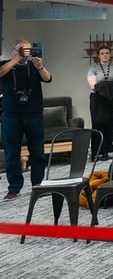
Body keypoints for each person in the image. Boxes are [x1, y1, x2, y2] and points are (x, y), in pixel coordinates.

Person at [0, 39, 52, 201]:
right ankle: (14, 187)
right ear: (14, 50)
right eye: (23, 50)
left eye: (29, 50)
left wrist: (40, 67)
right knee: (11, 153)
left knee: (37, 152)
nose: (26, 53)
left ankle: (38, 184)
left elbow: (48, 78)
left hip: (34, 114)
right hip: (11, 115)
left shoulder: (34, 66)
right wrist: (16, 59)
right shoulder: (6, 64)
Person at [87, 45, 113, 161]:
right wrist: (109, 85)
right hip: (98, 101)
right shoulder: (93, 68)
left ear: (110, 55)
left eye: (107, 53)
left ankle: (108, 151)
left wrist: (103, 86)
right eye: (102, 53)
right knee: (98, 125)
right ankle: (97, 152)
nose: (105, 55)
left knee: (112, 125)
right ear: (98, 56)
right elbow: (93, 86)